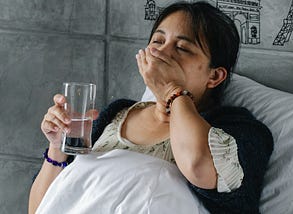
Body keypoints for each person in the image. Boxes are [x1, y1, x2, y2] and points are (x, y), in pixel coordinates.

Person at [29, 1, 273, 213]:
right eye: (158, 40)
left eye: (182, 48)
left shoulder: (241, 131)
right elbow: (47, 206)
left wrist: (171, 90)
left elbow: (199, 165)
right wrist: (57, 147)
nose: (162, 51)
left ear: (215, 76)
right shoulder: (116, 114)